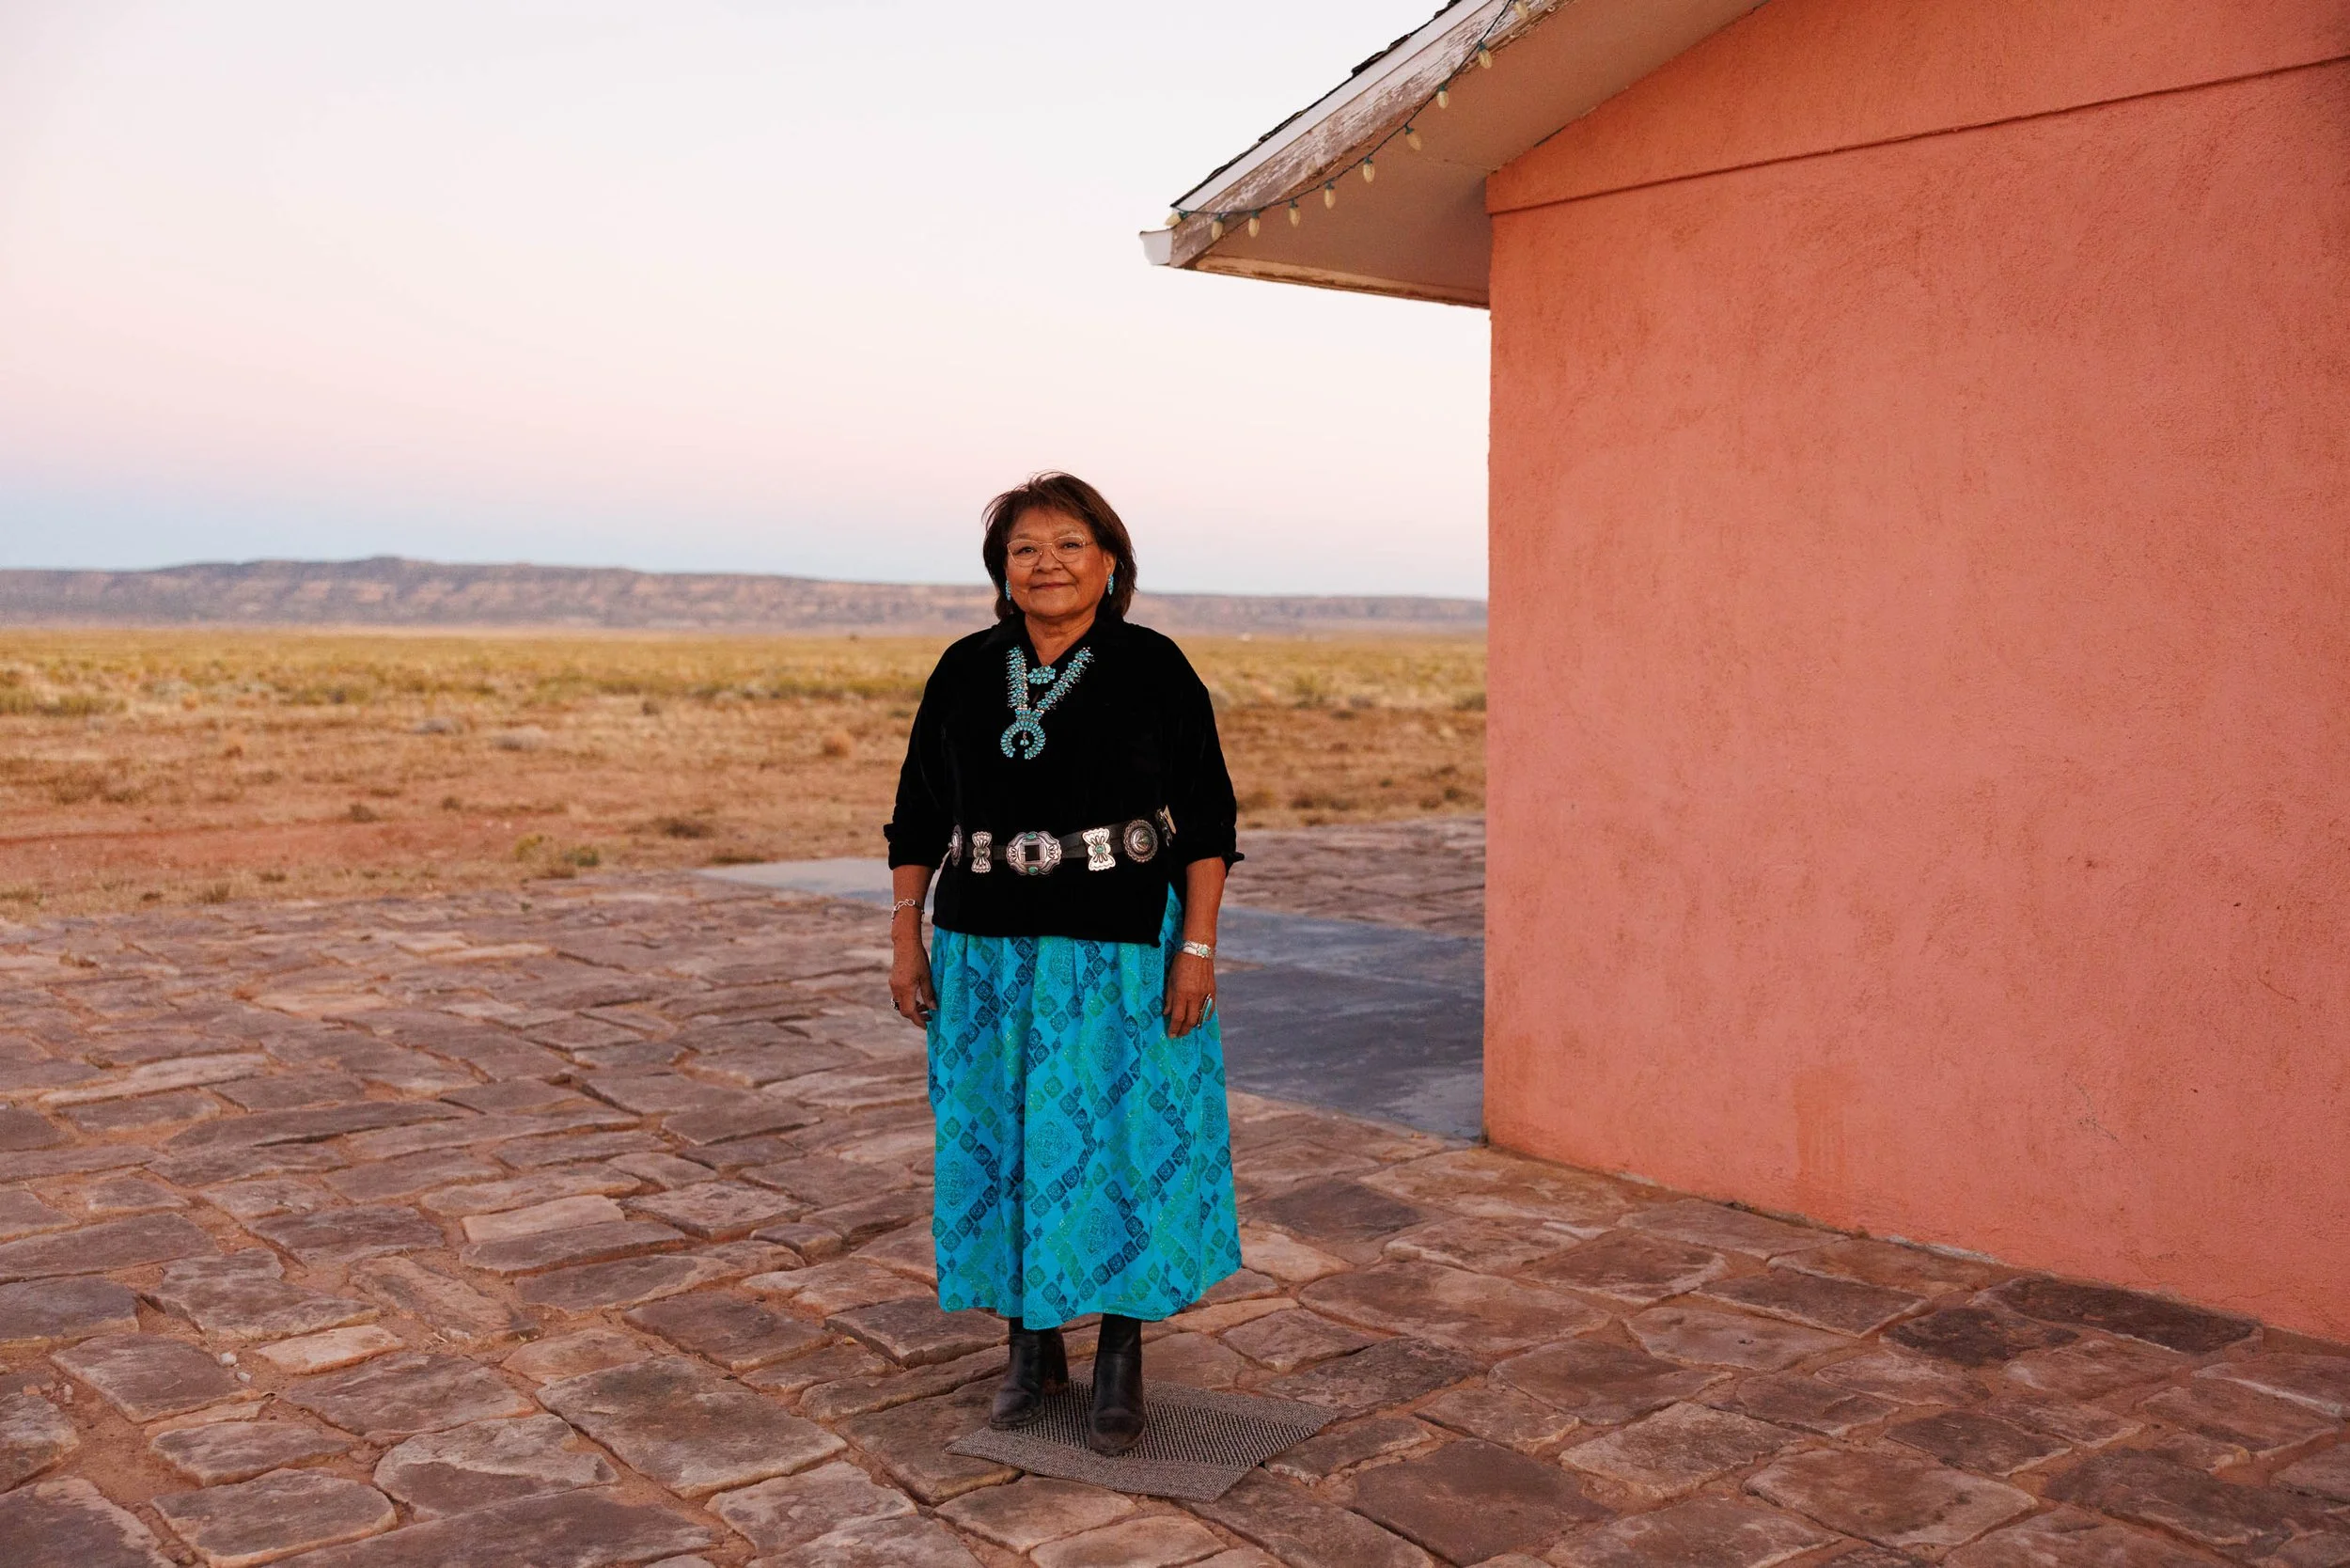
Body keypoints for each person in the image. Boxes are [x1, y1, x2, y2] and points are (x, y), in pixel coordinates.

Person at [885, 471, 1244, 1455]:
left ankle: (1120, 1352)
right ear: (1003, 572)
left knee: (1122, 1141)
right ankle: (1029, 1342)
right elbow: (919, 813)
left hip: (1119, 948)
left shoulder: (1154, 667)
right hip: (984, 948)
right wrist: (904, 930)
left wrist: (1197, 950)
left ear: (1110, 561)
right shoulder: (963, 669)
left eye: (1068, 545)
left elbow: (1207, 823)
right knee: (1000, 1137)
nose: (1046, 563)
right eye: (1024, 549)